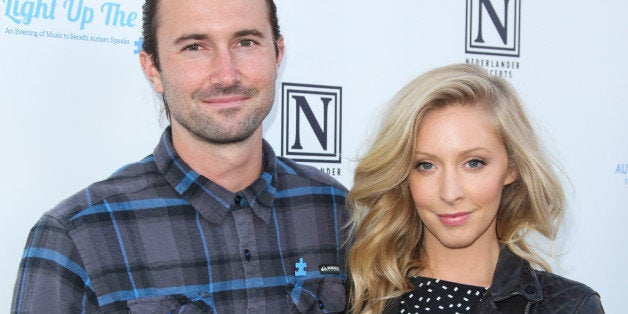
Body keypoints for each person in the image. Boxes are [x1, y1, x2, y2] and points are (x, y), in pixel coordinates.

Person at [12, 0, 348, 312]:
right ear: (153, 69)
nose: (227, 75)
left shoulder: (338, 211)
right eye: (194, 47)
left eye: (246, 42)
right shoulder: (75, 238)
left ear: (277, 54)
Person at [347, 64, 604, 313]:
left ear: (511, 167)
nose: (450, 193)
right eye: (426, 165)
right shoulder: (356, 296)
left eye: (473, 163)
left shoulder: (569, 307)